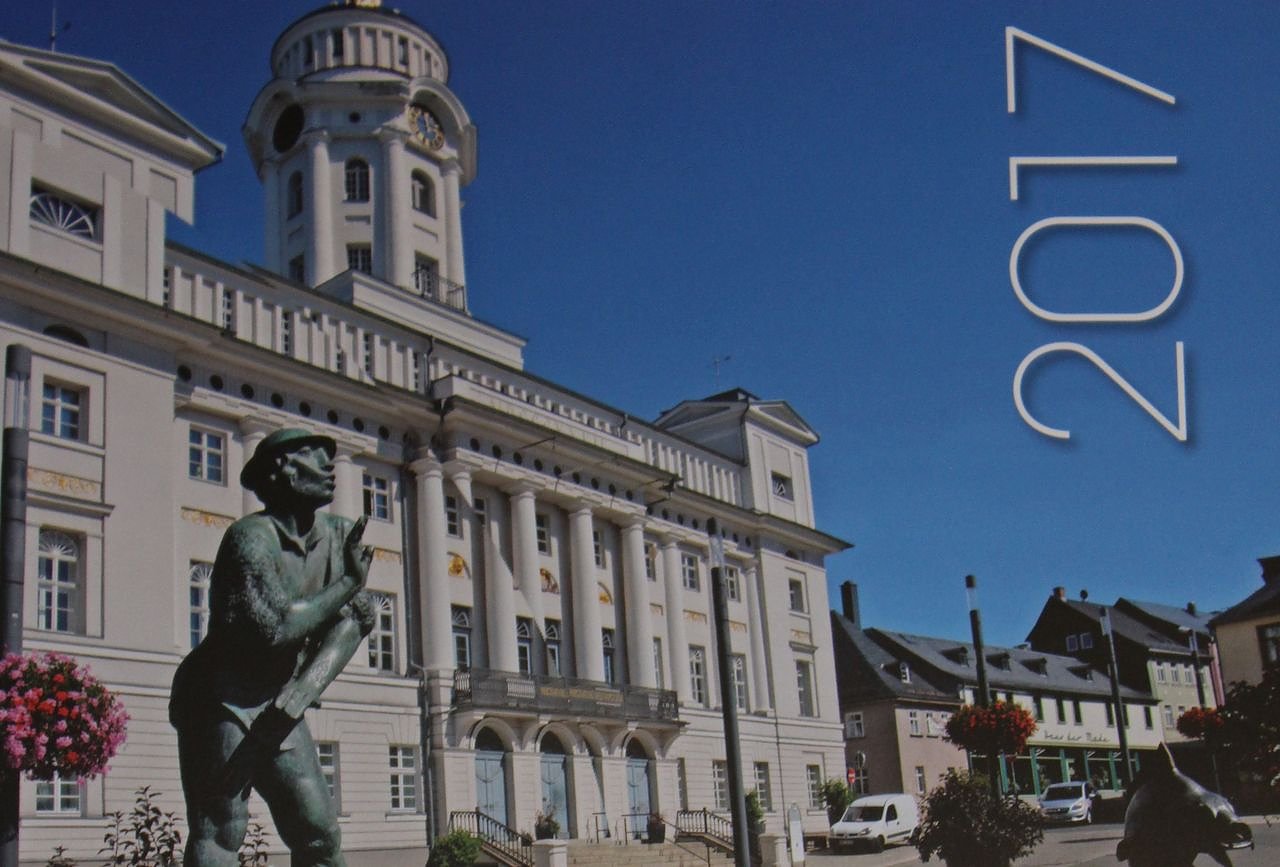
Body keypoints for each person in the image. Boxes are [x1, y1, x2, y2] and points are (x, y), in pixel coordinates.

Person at [170, 428, 376, 867]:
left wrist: (300, 693)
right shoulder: (250, 537)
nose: (329, 466)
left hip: (279, 699)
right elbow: (275, 628)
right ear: (281, 471)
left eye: (328, 456)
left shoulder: (339, 536)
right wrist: (347, 583)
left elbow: (358, 618)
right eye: (313, 455)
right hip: (219, 699)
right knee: (221, 830)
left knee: (320, 835)